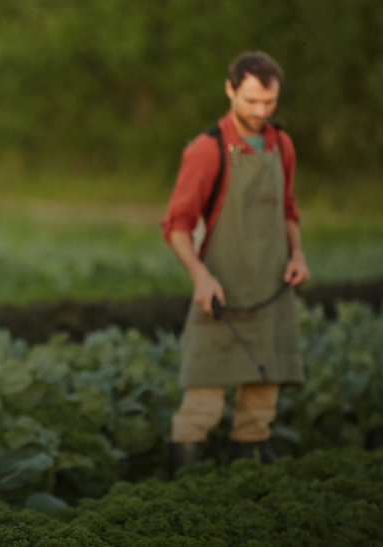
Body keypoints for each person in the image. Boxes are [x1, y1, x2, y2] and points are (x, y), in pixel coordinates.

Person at [161, 51, 309, 471]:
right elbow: (176, 226)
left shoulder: (282, 144)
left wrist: (297, 254)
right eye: (251, 101)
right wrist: (201, 278)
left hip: (270, 292)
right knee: (201, 404)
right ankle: (186, 493)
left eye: (269, 102)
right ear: (230, 90)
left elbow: (288, 211)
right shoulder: (207, 149)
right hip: (220, 293)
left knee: (260, 409)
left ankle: (246, 488)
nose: (261, 111)